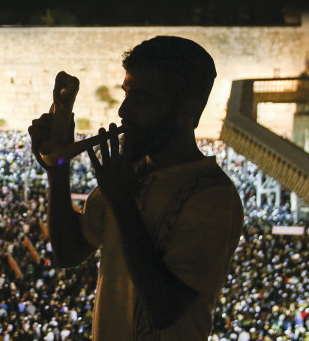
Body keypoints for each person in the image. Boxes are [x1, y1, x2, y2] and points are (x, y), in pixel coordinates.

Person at [29, 36, 244, 340]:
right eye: (127, 94)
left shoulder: (212, 195)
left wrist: (123, 202)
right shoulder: (131, 173)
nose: (124, 111)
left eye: (142, 99)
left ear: (186, 112)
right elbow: (69, 252)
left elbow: (166, 310)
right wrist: (57, 170)